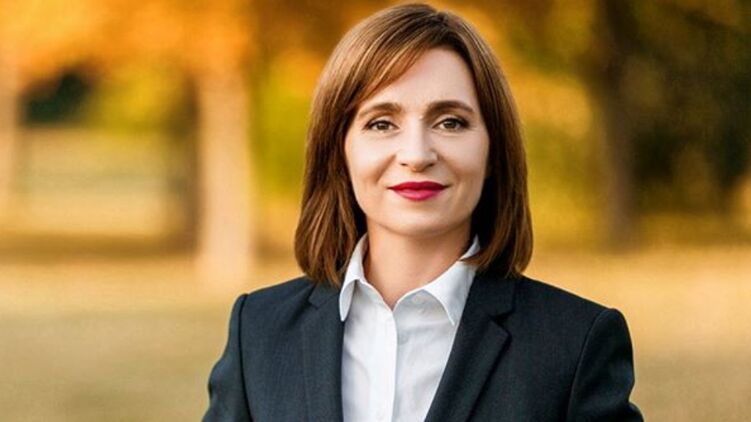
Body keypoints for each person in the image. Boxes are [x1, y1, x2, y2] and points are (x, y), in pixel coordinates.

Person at [203, 3, 643, 421]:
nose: (416, 155)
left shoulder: (575, 344)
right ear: (339, 151)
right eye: (381, 123)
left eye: (450, 122)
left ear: (493, 151)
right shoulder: (258, 332)